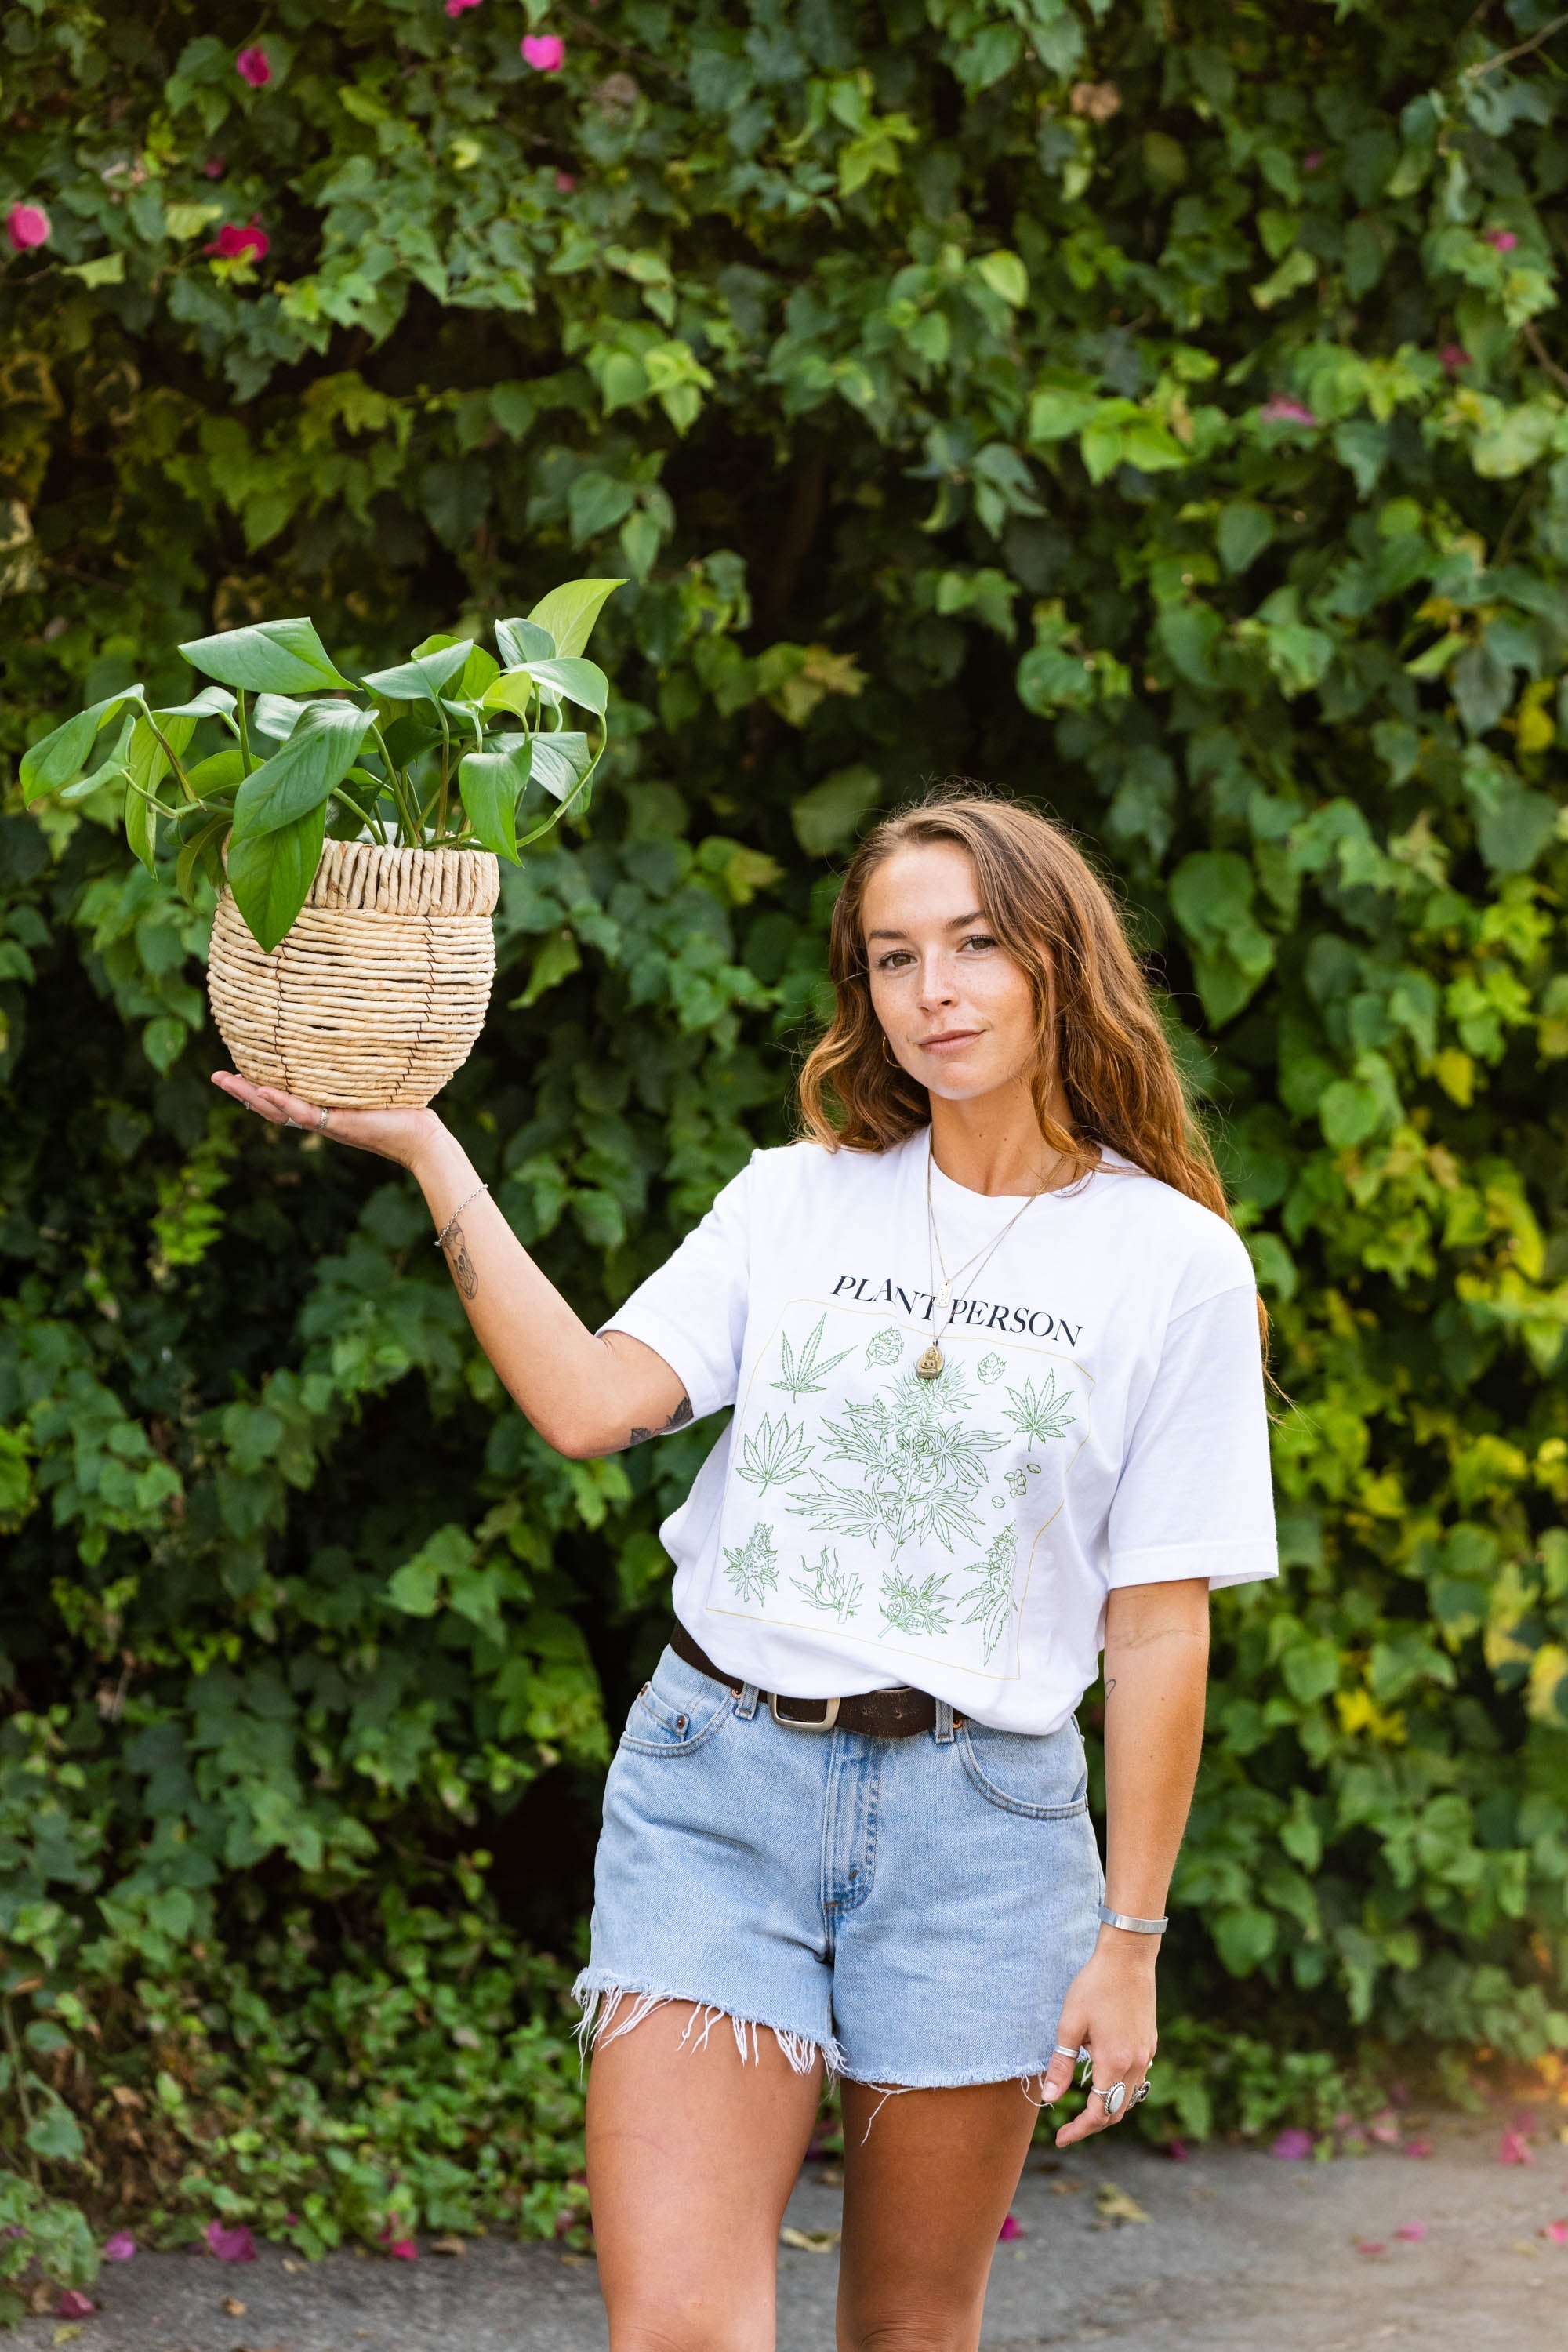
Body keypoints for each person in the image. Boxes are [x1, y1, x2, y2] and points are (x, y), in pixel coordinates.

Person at [215, 788, 1277, 2352]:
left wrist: (1130, 1942)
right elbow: (586, 1404)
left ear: (1059, 958)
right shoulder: (794, 1200)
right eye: (894, 955)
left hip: (981, 1837)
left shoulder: (1171, 1264)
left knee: (907, 2334)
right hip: (716, 1792)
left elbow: (1159, 1625)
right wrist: (434, 1151)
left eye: (976, 945)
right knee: (681, 2336)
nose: (936, 991)